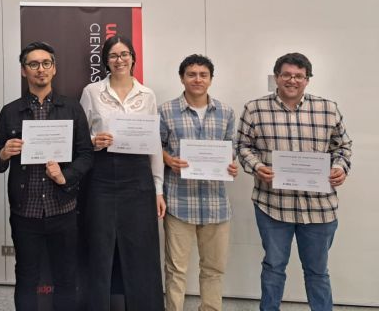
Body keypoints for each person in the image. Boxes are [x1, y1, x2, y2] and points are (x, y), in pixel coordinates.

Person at [237, 52, 352, 311]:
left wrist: (339, 168)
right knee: (273, 267)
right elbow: (243, 146)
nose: (292, 80)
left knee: (317, 272)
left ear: (307, 79)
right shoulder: (254, 109)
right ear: (276, 77)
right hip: (272, 205)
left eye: (299, 76)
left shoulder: (328, 108)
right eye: (287, 75)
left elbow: (343, 147)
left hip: (319, 209)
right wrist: (257, 167)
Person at [0, 42, 93, 310]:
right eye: (33, 64)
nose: (41, 69)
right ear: (23, 70)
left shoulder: (71, 108)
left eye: (46, 63)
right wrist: (3, 154)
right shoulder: (10, 111)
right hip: (25, 211)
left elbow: (86, 155)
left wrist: (65, 176)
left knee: (66, 278)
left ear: (54, 69)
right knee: (26, 277)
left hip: (63, 209)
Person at [79, 35, 166, 311]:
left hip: (138, 178)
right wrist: (94, 141)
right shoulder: (92, 92)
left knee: (141, 252)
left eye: (124, 54)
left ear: (133, 58)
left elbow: (154, 144)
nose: (120, 60)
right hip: (102, 177)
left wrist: (158, 188)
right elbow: (79, 138)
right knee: (99, 251)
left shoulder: (147, 95)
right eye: (114, 55)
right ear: (106, 60)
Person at [159, 54, 238, 311]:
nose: (197, 79)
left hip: (216, 204)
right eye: (191, 74)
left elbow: (231, 149)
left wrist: (231, 165)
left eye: (203, 75)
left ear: (211, 79)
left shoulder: (226, 112)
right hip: (179, 201)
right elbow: (155, 147)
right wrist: (168, 159)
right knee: (176, 269)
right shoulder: (165, 111)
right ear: (182, 78)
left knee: (214, 269)